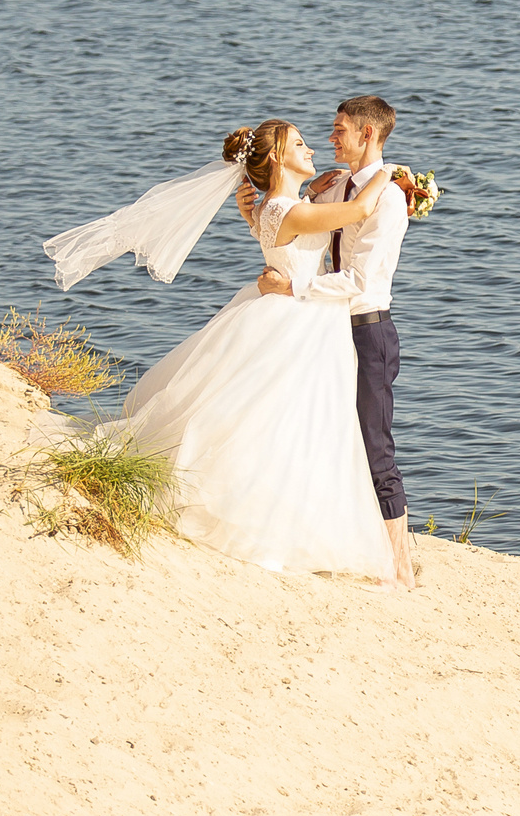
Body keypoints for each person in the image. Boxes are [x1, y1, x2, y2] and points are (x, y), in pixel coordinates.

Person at [99, 119, 406, 582]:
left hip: (295, 313)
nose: (313, 148)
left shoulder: (275, 207)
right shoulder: (291, 210)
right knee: (286, 422)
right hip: (299, 316)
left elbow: (281, 229)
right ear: (279, 157)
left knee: (281, 419)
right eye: (300, 144)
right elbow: (362, 206)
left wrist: (315, 190)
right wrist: (393, 174)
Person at [236, 95, 419, 590]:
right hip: (323, 330)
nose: (329, 138)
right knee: (322, 435)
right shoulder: (333, 186)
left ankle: (401, 564)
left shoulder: (389, 197)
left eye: (339, 130)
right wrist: (252, 211)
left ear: (367, 134)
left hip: (365, 326)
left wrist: (291, 287)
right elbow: (288, 228)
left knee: (374, 444)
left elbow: (360, 282)